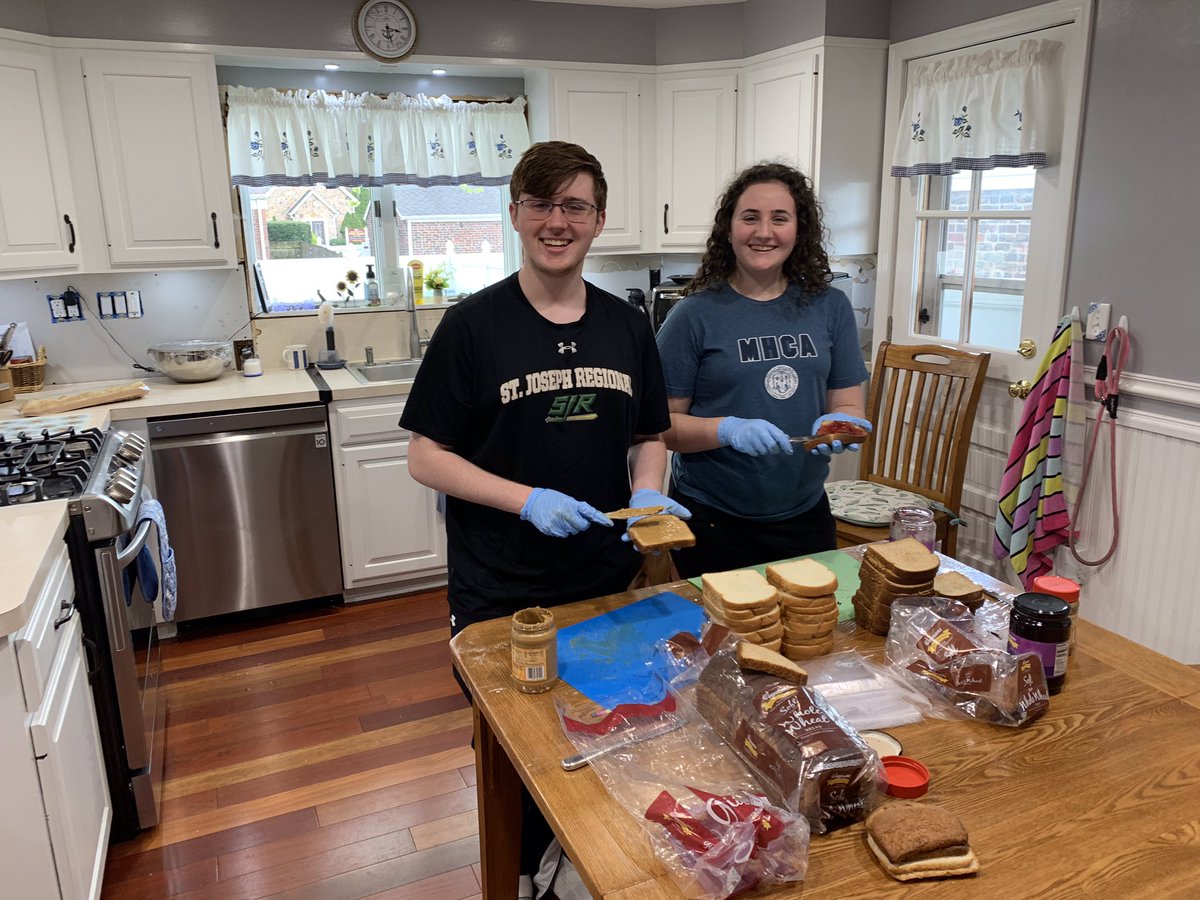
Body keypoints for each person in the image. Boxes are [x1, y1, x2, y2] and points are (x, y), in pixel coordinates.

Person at [655, 162, 870, 578]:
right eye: (750, 217)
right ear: (729, 227)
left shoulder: (830, 307)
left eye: (780, 218)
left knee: (810, 635)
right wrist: (726, 429)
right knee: (717, 640)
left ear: (799, 228)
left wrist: (844, 424)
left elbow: (848, 403)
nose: (764, 232)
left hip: (804, 512)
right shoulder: (694, 315)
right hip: (713, 519)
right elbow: (661, 427)